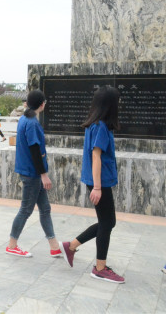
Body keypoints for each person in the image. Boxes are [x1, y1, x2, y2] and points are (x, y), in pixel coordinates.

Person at [59, 86, 125, 284]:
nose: (120, 104)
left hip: (97, 180)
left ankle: (71, 246)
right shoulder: (101, 127)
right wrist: (97, 187)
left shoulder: (94, 124)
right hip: (99, 182)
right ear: (110, 105)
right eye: (118, 101)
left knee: (107, 221)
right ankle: (100, 268)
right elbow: (96, 156)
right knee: (107, 222)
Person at [6, 90, 61, 258]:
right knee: (25, 210)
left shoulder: (25, 119)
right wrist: (44, 175)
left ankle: (54, 246)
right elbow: (35, 150)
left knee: (45, 209)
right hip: (32, 173)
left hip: (32, 171)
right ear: (42, 104)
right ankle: (12, 245)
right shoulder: (31, 123)